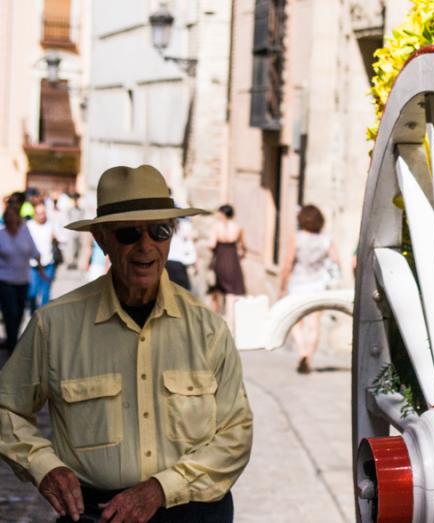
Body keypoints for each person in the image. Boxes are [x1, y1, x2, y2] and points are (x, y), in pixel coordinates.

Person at [0, 165, 253, 523]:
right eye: (129, 233)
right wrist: (43, 465)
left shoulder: (207, 328)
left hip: (192, 512)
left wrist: (161, 489)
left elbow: (236, 434)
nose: (145, 246)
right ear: (102, 239)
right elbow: (7, 408)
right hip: (97, 514)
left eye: (160, 230)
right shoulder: (55, 326)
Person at [277, 204, 340, 374]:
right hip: (318, 285)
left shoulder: (297, 238)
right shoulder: (326, 240)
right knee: (314, 323)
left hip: (298, 284)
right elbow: (336, 261)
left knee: (296, 321)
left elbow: (288, 264)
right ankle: (309, 358)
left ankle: (302, 351)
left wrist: (282, 286)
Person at [0, 203, 43, 350]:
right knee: (10, 311)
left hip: (22, 280)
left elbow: (34, 251)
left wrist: (42, 270)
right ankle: (12, 343)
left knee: (19, 313)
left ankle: (12, 339)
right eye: (9, 216)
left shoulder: (25, 232)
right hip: (5, 281)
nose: (12, 219)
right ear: (6, 219)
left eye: (14, 216)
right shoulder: (1, 235)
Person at [208, 204, 246, 315]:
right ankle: (230, 319)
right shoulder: (238, 228)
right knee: (231, 292)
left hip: (220, 258)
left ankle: (216, 316)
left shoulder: (216, 227)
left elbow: (211, 244)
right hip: (233, 260)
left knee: (217, 290)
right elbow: (241, 247)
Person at [27, 202, 62, 312]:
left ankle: (43, 316)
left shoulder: (51, 225)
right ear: (34, 214)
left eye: (43, 213)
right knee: (32, 293)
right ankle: (34, 315)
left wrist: (56, 236)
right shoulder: (28, 225)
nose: (42, 216)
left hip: (48, 263)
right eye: (39, 213)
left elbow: (63, 239)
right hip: (32, 265)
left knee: (46, 293)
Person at [166, 218, 197, 292]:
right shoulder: (184, 226)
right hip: (178, 264)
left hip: (169, 263)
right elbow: (190, 246)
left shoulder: (169, 227)